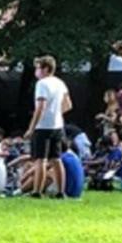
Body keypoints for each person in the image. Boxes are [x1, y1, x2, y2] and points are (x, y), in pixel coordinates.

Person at [25, 55, 71, 198]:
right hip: (57, 125)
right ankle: (60, 191)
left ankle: (37, 191)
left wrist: (31, 128)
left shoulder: (42, 84)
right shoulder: (60, 83)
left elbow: (41, 107)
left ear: (45, 69)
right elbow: (68, 105)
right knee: (56, 159)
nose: (36, 71)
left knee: (40, 159)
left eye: (38, 68)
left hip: (43, 126)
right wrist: (56, 112)